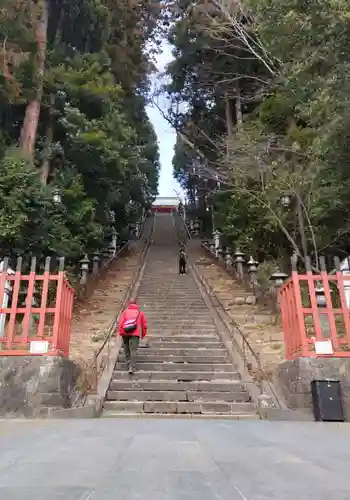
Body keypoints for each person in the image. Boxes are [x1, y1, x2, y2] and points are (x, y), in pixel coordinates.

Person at [118, 299, 147, 374]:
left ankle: (128, 364)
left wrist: (121, 332)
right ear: (136, 304)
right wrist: (143, 334)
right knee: (133, 350)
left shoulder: (125, 312)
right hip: (135, 334)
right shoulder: (140, 313)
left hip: (125, 332)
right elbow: (144, 326)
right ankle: (132, 367)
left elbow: (121, 323)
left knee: (126, 348)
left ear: (129, 304)